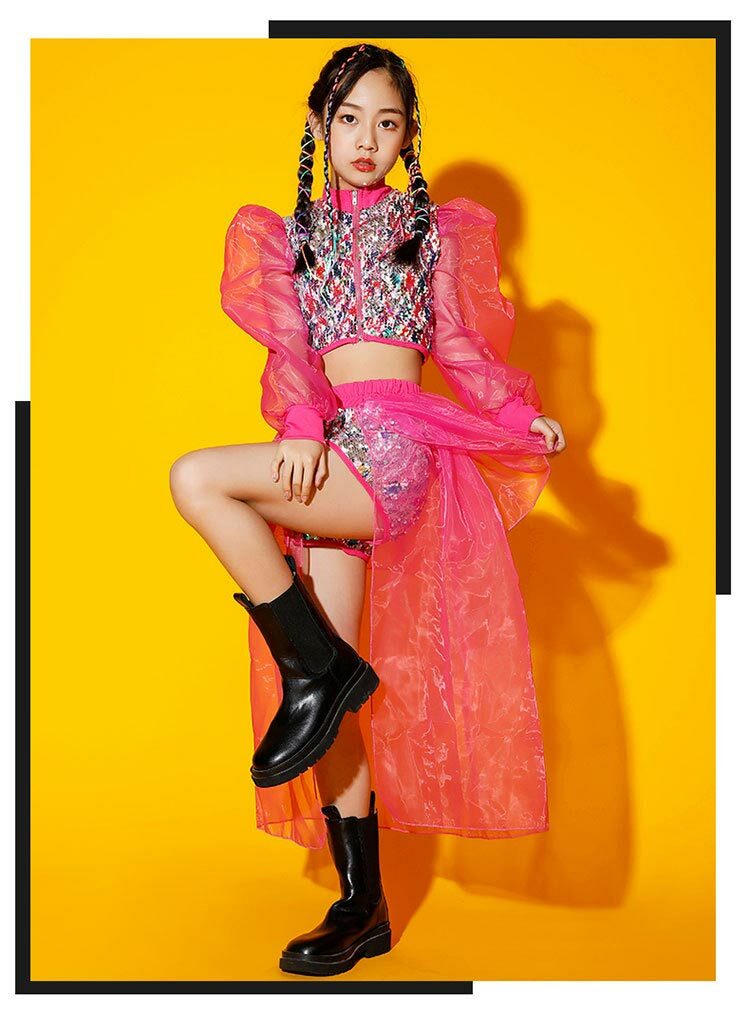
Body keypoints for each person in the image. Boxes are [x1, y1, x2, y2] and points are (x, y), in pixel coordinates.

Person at [170, 42, 566, 977]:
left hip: (390, 450)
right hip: (322, 456)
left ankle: (314, 665)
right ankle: (364, 903)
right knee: (334, 710)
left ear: (407, 136)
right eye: (349, 119)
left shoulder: (433, 231)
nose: (366, 139)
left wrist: (518, 415)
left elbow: (460, 347)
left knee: (197, 478)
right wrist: (305, 425)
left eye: (387, 123)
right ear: (320, 125)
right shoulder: (286, 237)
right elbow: (289, 356)